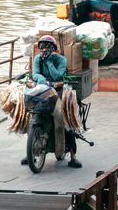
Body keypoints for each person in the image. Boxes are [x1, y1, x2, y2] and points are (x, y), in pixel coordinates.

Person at [22, 35, 82, 168]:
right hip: (42, 90)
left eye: (47, 46)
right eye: (42, 46)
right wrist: (42, 81)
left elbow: (57, 75)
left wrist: (49, 62)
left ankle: (73, 156)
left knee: (65, 118)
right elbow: (36, 73)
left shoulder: (61, 60)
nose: (44, 49)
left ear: (53, 48)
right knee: (29, 115)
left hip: (58, 92)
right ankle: (30, 151)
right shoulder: (37, 58)